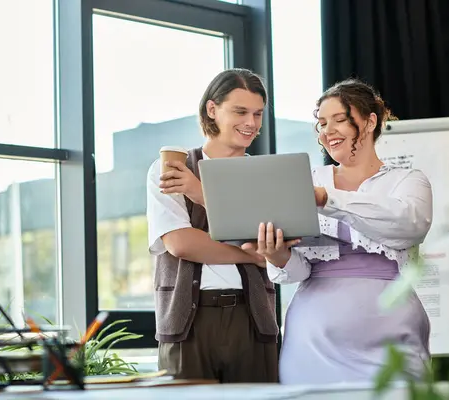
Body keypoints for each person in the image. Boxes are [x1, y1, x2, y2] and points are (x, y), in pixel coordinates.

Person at [245, 78, 433, 384]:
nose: (327, 131)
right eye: (321, 123)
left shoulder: (407, 180)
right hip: (313, 339)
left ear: (370, 121)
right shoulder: (306, 178)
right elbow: (298, 271)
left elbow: (407, 226)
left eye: (339, 120)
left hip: (394, 334)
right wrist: (277, 254)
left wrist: (327, 198)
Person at [146, 68, 279, 383]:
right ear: (212, 109)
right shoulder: (169, 167)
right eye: (240, 111)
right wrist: (250, 254)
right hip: (187, 322)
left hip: (254, 317)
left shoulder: (266, 175)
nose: (251, 123)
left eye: (258, 114)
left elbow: (273, 242)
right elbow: (180, 243)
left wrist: (196, 191)